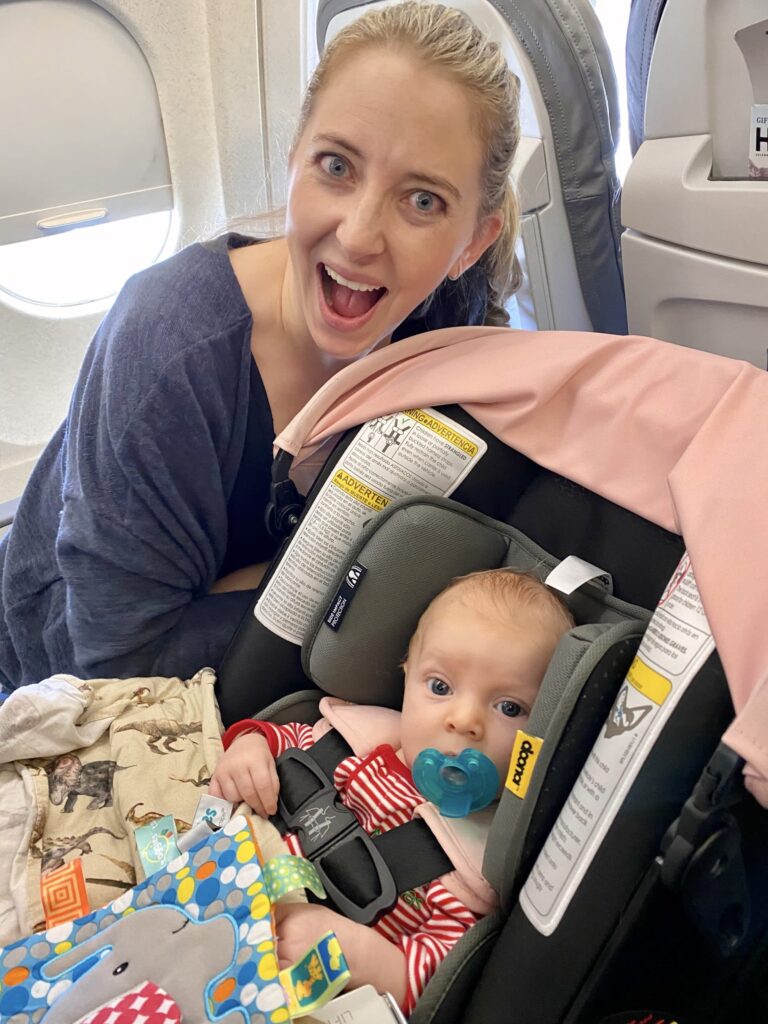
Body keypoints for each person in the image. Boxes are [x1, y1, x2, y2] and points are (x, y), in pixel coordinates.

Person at [0, 2, 522, 694]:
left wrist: (254, 583)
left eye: (422, 202)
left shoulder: (450, 319)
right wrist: (313, 570)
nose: (361, 235)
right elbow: (123, 672)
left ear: (471, 245)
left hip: (229, 626)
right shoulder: (170, 349)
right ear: (293, 159)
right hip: (62, 670)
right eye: (336, 166)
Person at [210, 569, 574, 1014]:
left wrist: (365, 956)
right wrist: (250, 747)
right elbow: (286, 742)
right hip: (220, 889)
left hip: (291, 978)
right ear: (407, 676)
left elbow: (434, 977)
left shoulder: (468, 871)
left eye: (509, 707)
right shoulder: (350, 740)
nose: (463, 720)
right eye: (439, 686)